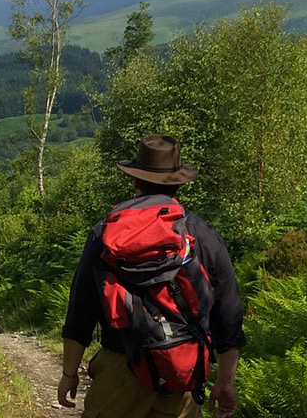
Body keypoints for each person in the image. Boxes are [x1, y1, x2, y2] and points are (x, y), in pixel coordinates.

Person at [56, 134, 245, 418]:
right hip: (181, 372)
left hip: (119, 372)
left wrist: (70, 374)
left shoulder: (105, 233)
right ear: (180, 183)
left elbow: (80, 311)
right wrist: (226, 382)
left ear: (135, 181)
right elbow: (228, 315)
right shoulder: (202, 235)